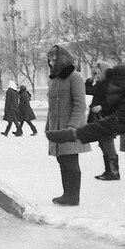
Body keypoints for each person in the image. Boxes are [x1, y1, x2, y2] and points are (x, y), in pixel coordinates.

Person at [45, 63, 125, 249]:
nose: (108, 91)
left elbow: (107, 128)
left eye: (111, 87)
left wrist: (72, 134)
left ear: (121, 85)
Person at [45, 45, 91, 206]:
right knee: (62, 160)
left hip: (70, 129)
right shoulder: (54, 79)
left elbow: (80, 105)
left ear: (62, 59)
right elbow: (51, 108)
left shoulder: (74, 77)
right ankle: (67, 193)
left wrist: (72, 127)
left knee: (71, 161)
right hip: (57, 128)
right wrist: (48, 127)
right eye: (49, 60)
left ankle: (73, 196)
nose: (51, 63)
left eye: (54, 59)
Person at [85, 61, 119, 181]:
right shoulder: (100, 84)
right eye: (96, 73)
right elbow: (89, 91)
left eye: (99, 73)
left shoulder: (111, 85)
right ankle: (108, 170)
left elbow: (114, 102)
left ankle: (114, 171)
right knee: (103, 144)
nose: (97, 75)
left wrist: (101, 106)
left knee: (108, 144)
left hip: (107, 118)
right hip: (98, 117)